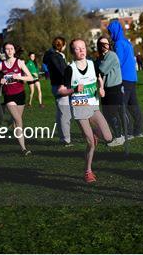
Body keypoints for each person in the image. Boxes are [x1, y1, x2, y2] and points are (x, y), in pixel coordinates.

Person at [58, 39, 113, 183]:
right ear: (72, 52)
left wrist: (101, 88)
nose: (81, 50)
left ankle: (94, 134)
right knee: (91, 143)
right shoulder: (70, 69)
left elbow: (99, 78)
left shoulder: (92, 64)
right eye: (77, 49)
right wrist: (74, 90)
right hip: (79, 108)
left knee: (108, 138)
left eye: (83, 48)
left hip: (93, 106)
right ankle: (88, 171)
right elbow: (61, 90)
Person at [0, 42, 34, 155]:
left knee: (17, 122)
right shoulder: (0, 65)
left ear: (14, 51)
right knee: (19, 121)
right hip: (9, 95)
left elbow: (31, 77)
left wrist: (19, 76)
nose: (9, 51)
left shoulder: (20, 63)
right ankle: (24, 148)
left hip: (20, 94)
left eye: (11, 49)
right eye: (7, 49)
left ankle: (14, 127)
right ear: (4, 51)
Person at [107, 19, 143, 139]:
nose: (110, 35)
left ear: (114, 31)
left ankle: (128, 133)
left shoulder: (118, 44)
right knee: (133, 105)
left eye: (110, 32)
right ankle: (138, 131)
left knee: (121, 106)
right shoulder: (127, 42)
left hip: (123, 78)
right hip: (132, 78)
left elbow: (118, 61)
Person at [96, 36, 125, 147]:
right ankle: (117, 135)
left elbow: (101, 69)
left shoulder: (111, 55)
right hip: (106, 89)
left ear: (109, 44)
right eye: (101, 44)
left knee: (112, 113)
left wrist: (96, 64)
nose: (103, 46)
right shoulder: (102, 57)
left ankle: (119, 137)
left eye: (105, 43)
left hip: (114, 88)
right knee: (107, 114)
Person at [43, 36, 72, 146]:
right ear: (63, 46)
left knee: (61, 113)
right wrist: (68, 67)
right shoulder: (57, 57)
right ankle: (66, 139)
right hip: (61, 86)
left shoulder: (50, 55)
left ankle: (62, 138)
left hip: (55, 86)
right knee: (65, 115)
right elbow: (62, 72)